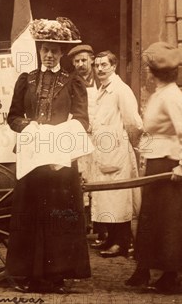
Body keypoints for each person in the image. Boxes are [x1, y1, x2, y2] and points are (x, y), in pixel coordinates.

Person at [5, 17, 90, 293]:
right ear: (39, 50)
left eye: (55, 50)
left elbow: (82, 120)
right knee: (29, 214)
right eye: (45, 50)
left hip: (59, 160)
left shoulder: (73, 81)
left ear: (62, 53)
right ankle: (25, 275)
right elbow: (13, 117)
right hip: (31, 158)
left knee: (57, 214)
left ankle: (56, 275)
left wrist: (59, 139)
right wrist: (27, 126)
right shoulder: (26, 80)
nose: (50, 55)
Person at [126, 42, 182, 293]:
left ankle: (169, 276)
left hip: (170, 166)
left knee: (167, 223)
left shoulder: (171, 96)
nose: (146, 72)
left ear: (155, 71)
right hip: (157, 163)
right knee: (150, 219)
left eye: (148, 68)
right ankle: (143, 270)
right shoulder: (160, 92)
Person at [90, 51, 142, 258]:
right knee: (105, 197)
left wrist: (125, 143)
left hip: (117, 151)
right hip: (103, 151)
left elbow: (134, 122)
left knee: (119, 197)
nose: (100, 69)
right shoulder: (102, 90)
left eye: (104, 65)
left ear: (114, 66)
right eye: (97, 65)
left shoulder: (121, 90)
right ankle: (111, 238)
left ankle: (122, 242)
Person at [67, 44, 106, 246]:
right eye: (76, 61)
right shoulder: (71, 81)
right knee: (82, 179)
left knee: (100, 180)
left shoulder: (103, 79)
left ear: (91, 59)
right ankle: (82, 228)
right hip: (82, 135)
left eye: (84, 60)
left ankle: (101, 228)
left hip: (101, 136)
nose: (81, 64)